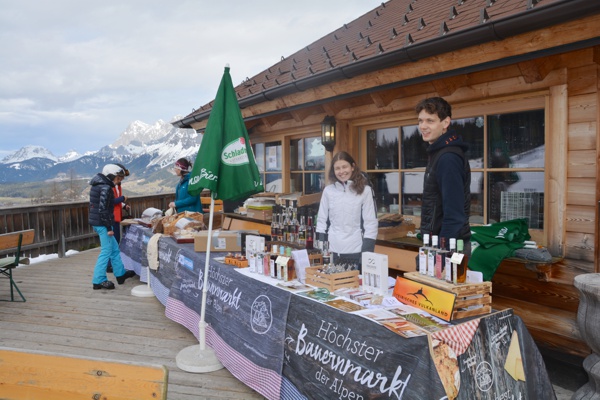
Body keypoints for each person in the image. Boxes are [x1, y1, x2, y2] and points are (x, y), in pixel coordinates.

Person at [416, 97, 471, 249]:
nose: (423, 126)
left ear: (445, 123)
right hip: (437, 244)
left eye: (430, 121)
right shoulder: (438, 153)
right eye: (420, 121)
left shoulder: (448, 158)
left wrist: (440, 253)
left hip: (448, 248)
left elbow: (454, 216)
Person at [316, 151, 378, 270]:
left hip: (356, 251)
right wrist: (322, 248)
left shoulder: (366, 191)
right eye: (337, 168)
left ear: (353, 167)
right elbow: (321, 220)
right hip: (332, 251)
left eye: (345, 167)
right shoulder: (328, 191)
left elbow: (371, 223)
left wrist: (366, 253)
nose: (341, 171)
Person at [89, 164, 137, 290]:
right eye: (117, 178)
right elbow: (103, 209)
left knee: (114, 249)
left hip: (100, 222)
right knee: (106, 251)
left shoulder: (100, 185)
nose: (119, 181)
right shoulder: (105, 187)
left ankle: (120, 274)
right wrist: (109, 228)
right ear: (110, 175)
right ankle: (98, 280)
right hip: (103, 223)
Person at [106, 163, 130, 273]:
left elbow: (117, 201)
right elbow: (112, 201)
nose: (121, 180)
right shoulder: (109, 186)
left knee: (116, 241)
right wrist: (122, 199)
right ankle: (109, 265)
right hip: (112, 217)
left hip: (117, 217)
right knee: (112, 243)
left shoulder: (117, 186)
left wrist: (124, 206)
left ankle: (113, 264)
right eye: (120, 177)